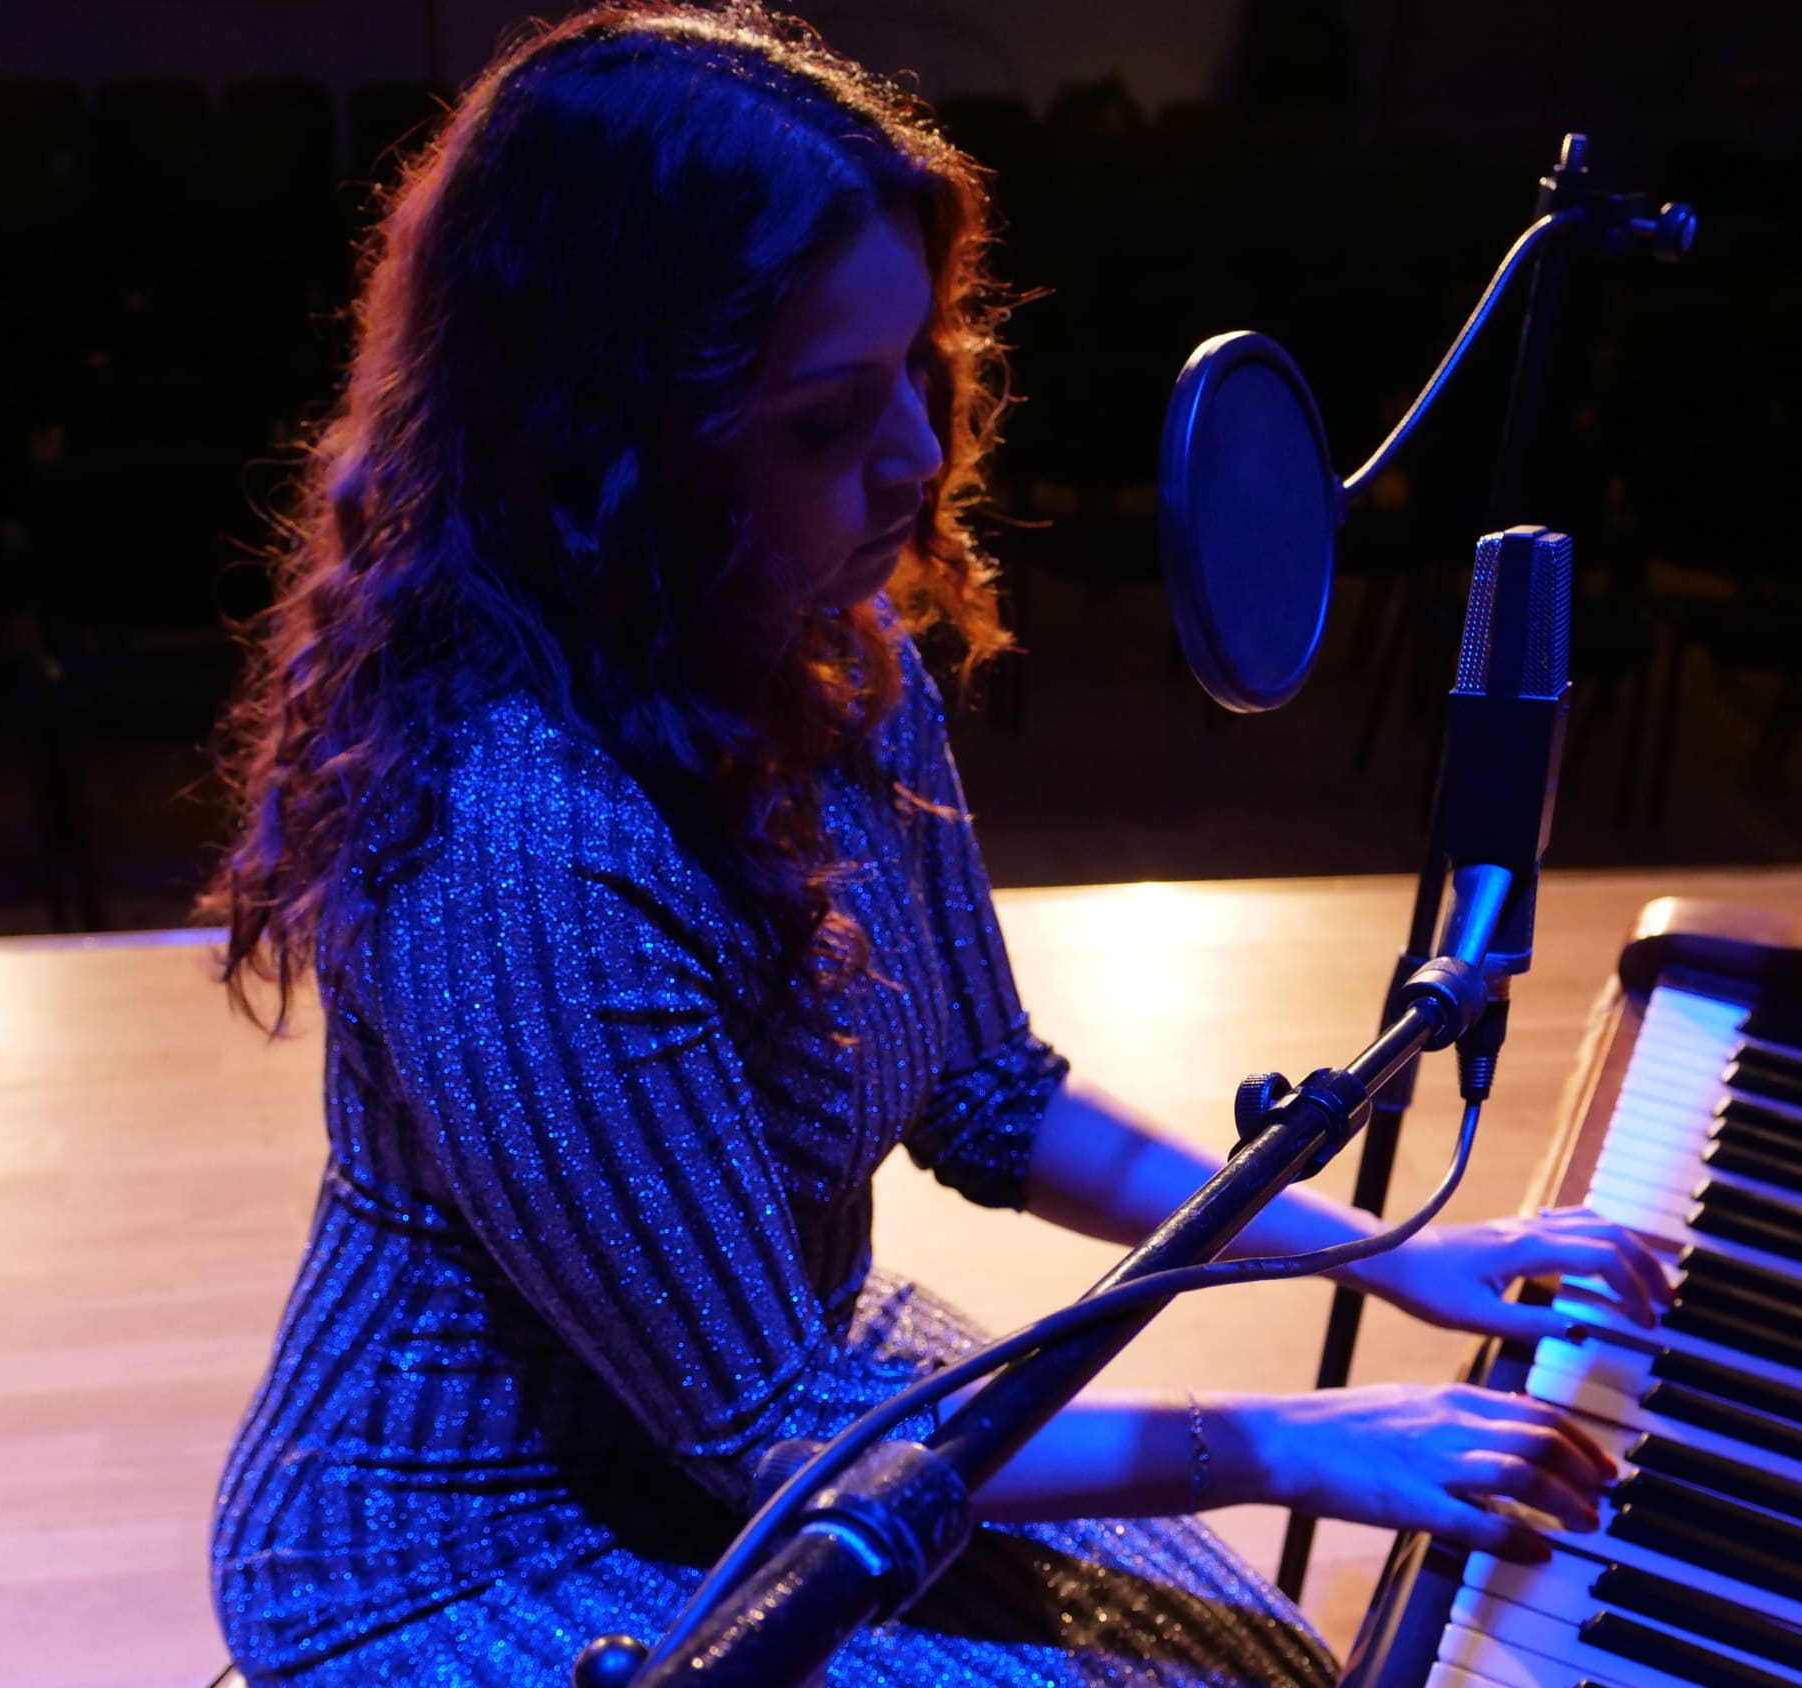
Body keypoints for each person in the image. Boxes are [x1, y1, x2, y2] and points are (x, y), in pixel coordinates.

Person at [196, 7, 1671, 1682]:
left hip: (790, 1384)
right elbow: (785, 1442)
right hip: (475, 1537)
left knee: (1254, 1667)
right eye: (825, 418)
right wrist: (1298, 1439)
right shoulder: (512, 851)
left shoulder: (824, 645)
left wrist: (1391, 1260)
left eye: (919, 367)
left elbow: (987, 1095)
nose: (914, 456)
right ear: (612, 444)